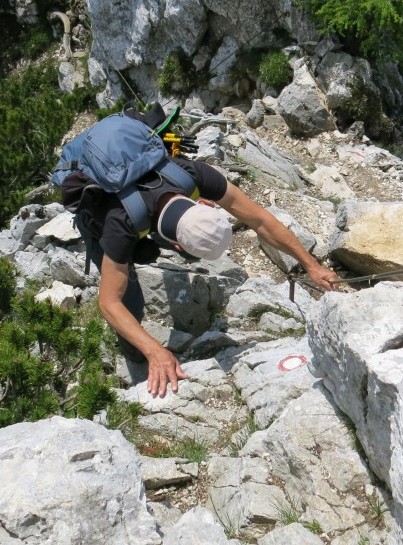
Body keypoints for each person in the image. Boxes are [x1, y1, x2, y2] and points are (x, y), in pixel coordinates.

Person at [67, 156, 339, 398]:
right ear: (176, 243)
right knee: (127, 295)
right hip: (102, 217)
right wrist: (154, 351)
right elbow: (108, 302)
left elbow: (261, 220)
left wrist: (311, 264)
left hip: (153, 211)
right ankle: (132, 349)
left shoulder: (193, 173)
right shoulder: (119, 225)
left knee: (149, 251)